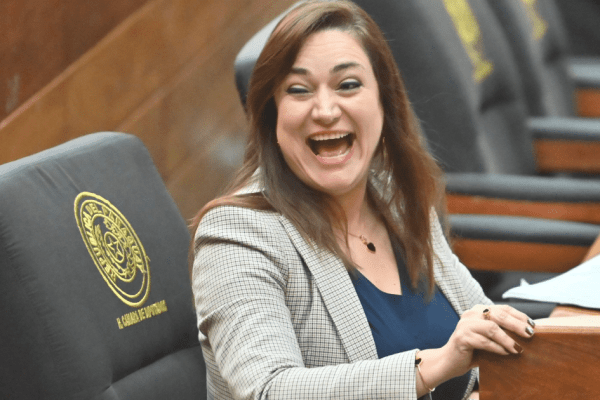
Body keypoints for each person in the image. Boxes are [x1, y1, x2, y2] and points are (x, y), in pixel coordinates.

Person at [191, 1, 536, 399]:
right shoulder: (238, 236)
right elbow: (268, 389)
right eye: (299, 90)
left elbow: (481, 330)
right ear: (272, 115)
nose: (325, 111)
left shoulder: (393, 195)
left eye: (348, 85)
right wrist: (435, 365)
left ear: (384, 101)